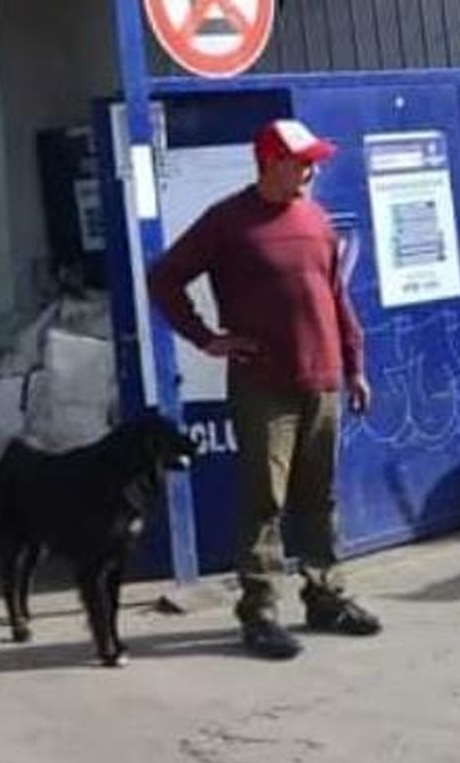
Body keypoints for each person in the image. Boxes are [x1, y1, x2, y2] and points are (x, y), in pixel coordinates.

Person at [148, 118, 381, 660]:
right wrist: (206, 338)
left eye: (314, 161)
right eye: (303, 161)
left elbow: (336, 298)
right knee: (264, 499)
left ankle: (326, 597)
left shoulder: (317, 219)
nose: (313, 169)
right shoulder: (227, 222)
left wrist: (355, 365)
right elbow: (165, 278)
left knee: (318, 496)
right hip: (263, 385)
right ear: (271, 162)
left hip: (321, 378)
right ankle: (260, 613)